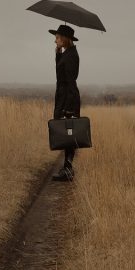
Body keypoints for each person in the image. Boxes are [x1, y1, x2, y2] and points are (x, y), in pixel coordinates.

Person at [50, 24, 81, 181]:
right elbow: (60, 75)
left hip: (68, 99)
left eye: (57, 38)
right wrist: (58, 55)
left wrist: (68, 108)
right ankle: (67, 168)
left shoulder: (72, 56)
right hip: (64, 97)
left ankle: (68, 170)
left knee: (69, 133)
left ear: (64, 39)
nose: (55, 41)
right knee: (66, 133)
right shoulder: (68, 54)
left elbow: (69, 82)